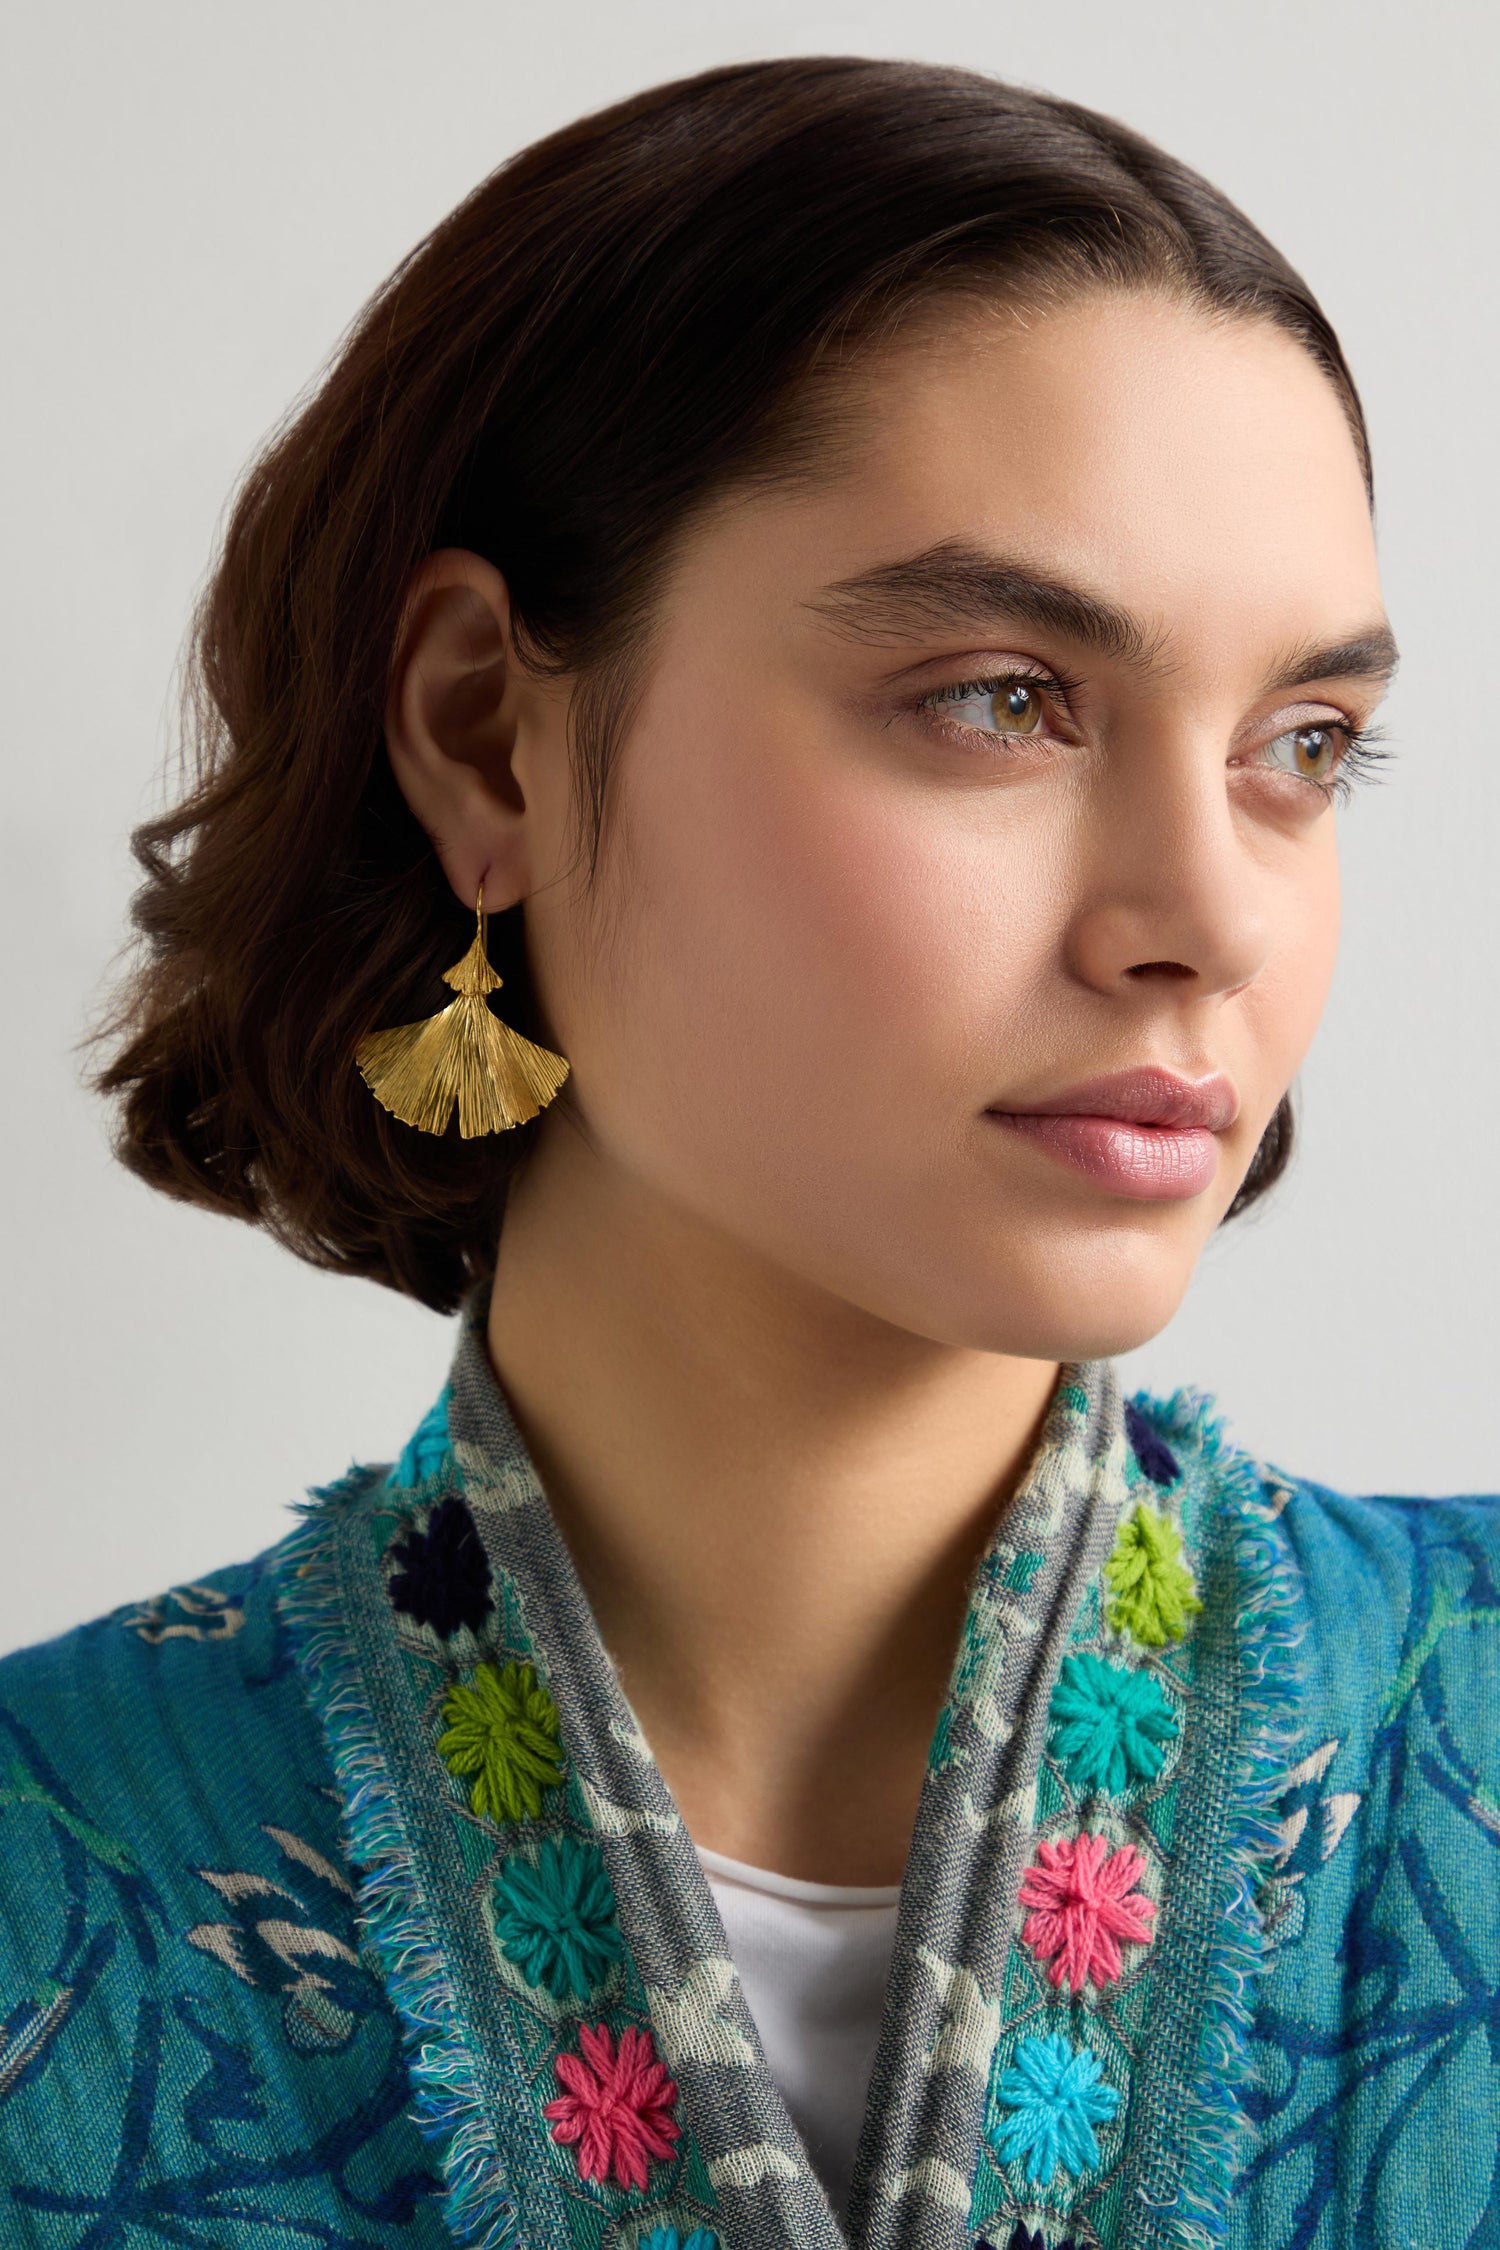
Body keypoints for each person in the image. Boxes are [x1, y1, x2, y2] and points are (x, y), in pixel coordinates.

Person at [0, 51, 1493, 2250]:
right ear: (482, 730)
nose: (1209, 918)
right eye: (1003, 695)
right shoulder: (56, 1865)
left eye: (1305, 748)